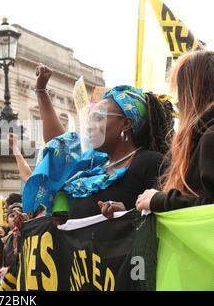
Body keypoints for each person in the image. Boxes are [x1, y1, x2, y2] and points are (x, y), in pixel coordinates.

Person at [24, 64, 175, 219]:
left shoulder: (151, 162)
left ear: (126, 123)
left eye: (98, 118)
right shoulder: (93, 165)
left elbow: (168, 214)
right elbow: (58, 146)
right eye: (89, 119)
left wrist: (128, 212)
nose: (89, 127)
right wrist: (41, 92)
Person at [136, 50, 214, 212]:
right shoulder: (203, 135)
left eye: (180, 89)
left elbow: (209, 207)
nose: (177, 101)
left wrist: (161, 201)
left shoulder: (210, 136)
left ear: (193, 91)